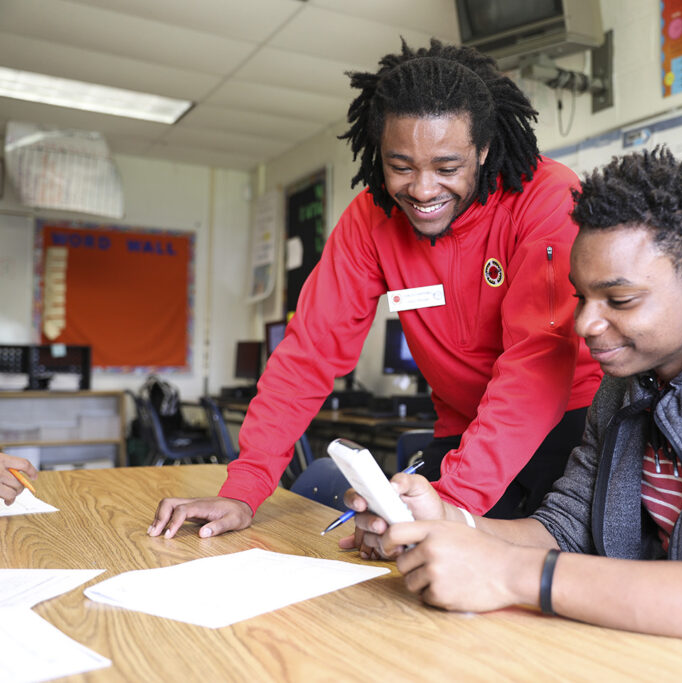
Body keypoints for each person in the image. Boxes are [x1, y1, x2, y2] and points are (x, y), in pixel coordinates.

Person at [349, 148, 682, 681]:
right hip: (662, 655)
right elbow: (564, 529)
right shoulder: (628, 382)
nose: (586, 324)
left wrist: (513, 575)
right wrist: (449, 523)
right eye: (581, 297)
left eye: (620, 299)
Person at [148, 40, 602, 539]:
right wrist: (245, 486)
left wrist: (449, 504)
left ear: (485, 150)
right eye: (401, 167)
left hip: (569, 423)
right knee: (392, 558)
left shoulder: (547, 198)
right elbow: (309, 353)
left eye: (447, 168)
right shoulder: (371, 218)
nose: (423, 190)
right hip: (460, 429)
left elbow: (536, 366)